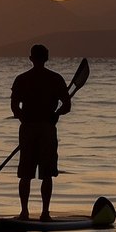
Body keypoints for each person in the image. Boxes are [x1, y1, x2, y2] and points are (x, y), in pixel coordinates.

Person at [10, 44, 71, 221]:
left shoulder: (21, 79)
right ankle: (45, 213)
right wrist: (56, 114)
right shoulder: (56, 79)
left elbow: (14, 106)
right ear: (47, 58)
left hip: (29, 130)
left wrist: (23, 118)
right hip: (46, 129)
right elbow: (67, 106)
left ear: (31, 59)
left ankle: (24, 212)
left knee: (26, 174)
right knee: (47, 174)